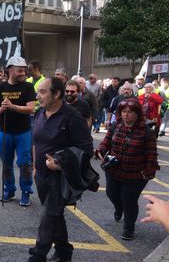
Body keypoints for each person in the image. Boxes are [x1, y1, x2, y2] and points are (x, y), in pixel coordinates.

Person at [28, 76, 93, 262]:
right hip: (41, 175)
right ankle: (64, 253)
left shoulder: (72, 117)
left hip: (61, 177)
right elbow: (36, 142)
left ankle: (37, 256)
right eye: (38, 91)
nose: (38, 95)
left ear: (56, 94)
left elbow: (87, 150)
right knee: (55, 216)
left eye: (42, 92)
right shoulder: (40, 113)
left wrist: (60, 164)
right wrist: (35, 166)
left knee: (48, 216)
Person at [95, 99, 159, 240]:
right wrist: (100, 150)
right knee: (112, 193)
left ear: (137, 114)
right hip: (114, 170)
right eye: (124, 112)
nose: (126, 115)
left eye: (130, 112)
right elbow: (106, 141)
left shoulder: (146, 132)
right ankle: (119, 208)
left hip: (135, 174)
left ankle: (128, 229)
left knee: (129, 200)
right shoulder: (115, 125)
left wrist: (149, 170)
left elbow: (151, 154)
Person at [0, 56, 36, 206]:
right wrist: (1, 109)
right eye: (20, 70)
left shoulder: (28, 87)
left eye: (24, 70)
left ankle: (26, 191)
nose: (23, 73)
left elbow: (31, 108)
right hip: (5, 132)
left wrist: (13, 107)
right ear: (10, 70)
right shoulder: (0, 88)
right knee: (6, 163)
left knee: (25, 163)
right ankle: (9, 189)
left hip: (23, 132)